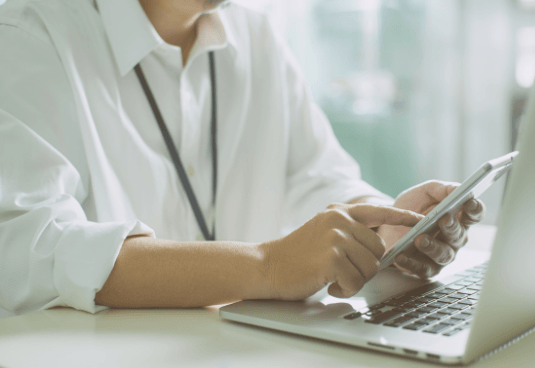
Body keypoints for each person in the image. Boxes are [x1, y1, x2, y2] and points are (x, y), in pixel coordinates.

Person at [0, 0, 485, 314]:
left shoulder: (255, 34)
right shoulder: (26, 33)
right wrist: (265, 265)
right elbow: (30, 250)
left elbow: (316, 176)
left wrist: (386, 228)